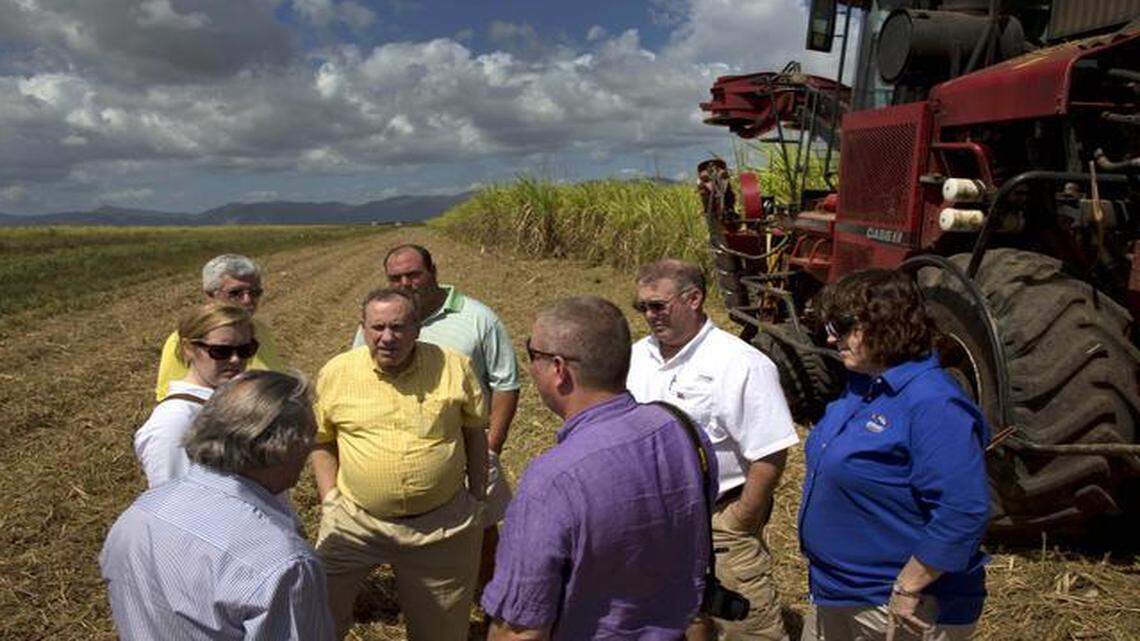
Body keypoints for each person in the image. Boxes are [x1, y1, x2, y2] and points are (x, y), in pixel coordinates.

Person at [482, 295, 714, 640]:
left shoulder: (551, 482)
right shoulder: (681, 428)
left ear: (559, 370)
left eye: (533, 354)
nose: (530, 367)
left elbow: (520, 630)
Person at [798, 269, 989, 641]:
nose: (830, 335)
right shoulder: (863, 386)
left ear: (886, 323)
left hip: (896, 609)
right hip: (838, 595)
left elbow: (962, 509)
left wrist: (908, 587)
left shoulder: (934, 403)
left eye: (841, 324)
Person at [626, 259, 798, 641]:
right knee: (681, 618)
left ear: (694, 299)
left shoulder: (742, 364)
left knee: (747, 627)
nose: (649, 316)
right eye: (642, 307)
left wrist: (740, 519)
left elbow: (770, 452)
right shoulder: (636, 357)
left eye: (658, 305)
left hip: (719, 521)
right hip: (654, 522)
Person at [100, 370, 334, 641]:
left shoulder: (138, 515)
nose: (308, 452)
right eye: (309, 437)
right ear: (285, 447)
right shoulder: (284, 563)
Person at [313, 287, 489, 640]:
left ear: (418, 328)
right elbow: (321, 440)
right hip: (353, 522)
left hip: (440, 526)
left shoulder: (454, 366)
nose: (387, 338)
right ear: (362, 328)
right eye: (377, 328)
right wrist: (329, 498)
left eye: (399, 327)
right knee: (318, 617)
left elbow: (474, 433)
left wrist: (477, 496)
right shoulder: (337, 372)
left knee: (440, 630)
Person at [351, 243, 520, 581]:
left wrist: (491, 448)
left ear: (433, 273)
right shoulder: (380, 324)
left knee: (482, 528)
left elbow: (506, 384)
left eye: (413, 274)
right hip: (398, 450)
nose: (405, 283)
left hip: (469, 446)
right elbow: (359, 373)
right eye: (395, 277)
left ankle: (490, 596)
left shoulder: (477, 318)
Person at [134, 302, 256, 487]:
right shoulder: (174, 424)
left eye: (245, 349)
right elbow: (176, 505)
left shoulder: (227, 404)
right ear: (188, 349)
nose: (236, 359)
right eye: (221, 351)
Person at [155, 254, 284, 401]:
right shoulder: (186, 340)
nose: (248, 300)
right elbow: (170, 397)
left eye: (255, 293)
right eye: (235, 293)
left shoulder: (259, 329)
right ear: (210, 295)